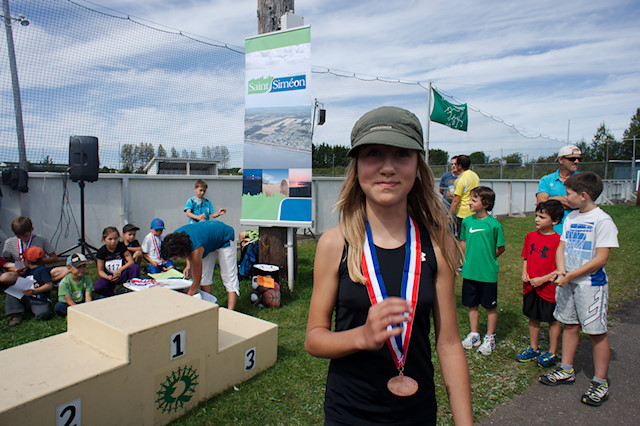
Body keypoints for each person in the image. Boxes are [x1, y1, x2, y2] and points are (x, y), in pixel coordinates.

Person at [304, 106, 472, 425]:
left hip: (417, 413)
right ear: (356, 167)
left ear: (417, 167)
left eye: (401, 154)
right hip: (348, 414)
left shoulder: (439, 243)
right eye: (374, 154)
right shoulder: (334, 244)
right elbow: (314, 338)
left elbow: (449, 343)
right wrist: (361, 337)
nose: (387, 167)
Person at [540, 172, 619, 407]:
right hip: (568, 282)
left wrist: (571, 276)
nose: (565, 198)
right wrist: (562, 271)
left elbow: (600, 259)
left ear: (584, 196)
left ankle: (600, 382)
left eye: (569, 194)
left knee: (596, 332)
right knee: (570, 325)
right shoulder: (572, 216)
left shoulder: (603, 221)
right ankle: (566, 369)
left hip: (590, 286)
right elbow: (562, 245)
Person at [516, 200, 564, 367]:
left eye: (542, 217)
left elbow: (560, 268)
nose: (537, 219)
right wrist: (524, 272)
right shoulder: (530, 236)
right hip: (530, 287)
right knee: (533, 317)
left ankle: (552, 352)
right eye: (536, 215)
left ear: (555, 221)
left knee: (552, 320)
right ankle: (534, 348)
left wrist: (543, 279)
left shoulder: (559, 241)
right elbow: (526, 257)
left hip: (548, 288)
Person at [460, 186, 506, 355]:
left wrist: (486, 258)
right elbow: (463, 242)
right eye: (470, 199)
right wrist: (467, 259)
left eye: (474, 200)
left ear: (485, 204)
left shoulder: (494, 225)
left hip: (487, 274)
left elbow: (500, 248)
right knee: (471, 304)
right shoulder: (467, 222)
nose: (469, 202)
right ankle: (474, 334)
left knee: (489, 306)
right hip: (470, 272)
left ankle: (489, 337)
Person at [161, 221, 239, 310]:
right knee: (204, 278)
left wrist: (186, 300)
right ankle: (207, 306)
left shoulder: (196, 251)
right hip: (207, 240)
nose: (174, 260)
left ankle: (230, 311)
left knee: (228, 276)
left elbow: (196, 281)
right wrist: (188, 265)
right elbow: (186, 248)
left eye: (174, 258)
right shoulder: (175, 238)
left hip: (224, 235)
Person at [1, 216, 68, 287]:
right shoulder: (9, 242)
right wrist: (15, 269)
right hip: (20, 273)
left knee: (66, 270)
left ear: (32, 229)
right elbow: (5, 263)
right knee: (5, 277)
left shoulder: (41, 240)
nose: (23, 238)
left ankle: (38, 281)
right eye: (19, 236)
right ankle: (41, 282)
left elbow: (54, 258)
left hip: (39, 271)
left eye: (25, 235)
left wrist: (40, 261)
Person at [536, 145, 581, 234]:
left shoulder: (582, 179)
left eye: (579, 159)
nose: (576, 161)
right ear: (561, 160)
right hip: (551, 232)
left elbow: (580, 203)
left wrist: (551, 200)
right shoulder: (547, 180)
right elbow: (541, 203)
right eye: (572, 159)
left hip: (576, 231)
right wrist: (568, 202)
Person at [4, 246, 54, 326]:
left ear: (27, 260)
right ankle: (16, 314)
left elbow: (49, 285)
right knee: (11, 291)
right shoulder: (26, 270)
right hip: (27, 298)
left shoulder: (42, 270)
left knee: (43, 314)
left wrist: (34, 291)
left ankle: (31, 312)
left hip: (39, 300)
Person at [94, 227, 140, 297]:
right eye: (110, 239)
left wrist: (120, 270)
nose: (113, 242)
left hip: (122, 273)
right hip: (109, 275)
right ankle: (111, 293)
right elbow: (100, 271)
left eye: (115, 239)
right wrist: (108, 277)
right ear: (104, 239)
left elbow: (131, 261)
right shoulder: (101, 252)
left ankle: (133, 288)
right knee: (98, 287)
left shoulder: (121, 246)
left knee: (135, 267)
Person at [448, 155, 479, 238]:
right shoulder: (475, 175)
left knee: (462, 239)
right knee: (471, 237)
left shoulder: (461, 179)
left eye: (456, 164)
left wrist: (449, 215)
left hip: (463, 214)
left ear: (460, 166)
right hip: (474, 212)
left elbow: (456, 200)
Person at [54, 253, 93, 317]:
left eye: (84, 266)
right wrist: (79, 310)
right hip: (68, 303)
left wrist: (87, 307)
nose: (82, 269)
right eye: (78, 267)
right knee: (59, 307)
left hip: (81, 301)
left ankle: (81, 312)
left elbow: (88, 296)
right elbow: (69, 301)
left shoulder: (87, 279)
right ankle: (74, 313)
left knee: (101, 299)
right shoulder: (65, 282)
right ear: (69, 268)